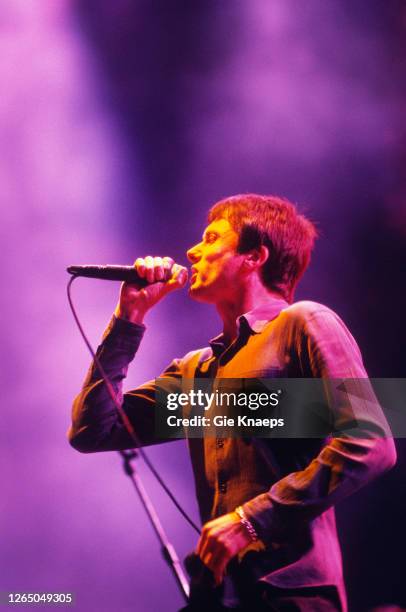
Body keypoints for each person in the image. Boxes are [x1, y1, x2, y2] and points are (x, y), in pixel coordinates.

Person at [69, 194, 396, 611]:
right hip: (219, 596)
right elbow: (92, 430)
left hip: (289, 593)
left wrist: (250, 521)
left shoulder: (304, 322)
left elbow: (372, 444)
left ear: (254, 257)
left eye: (211, 238)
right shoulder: (196, 372)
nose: (191, 251)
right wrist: (129, 317)